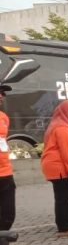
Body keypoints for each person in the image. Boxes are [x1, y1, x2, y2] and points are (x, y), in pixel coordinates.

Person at [41, 100, 68, 235]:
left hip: (55, 165)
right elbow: (66, 152)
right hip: (58, 166)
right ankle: (64, 228)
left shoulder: (57, 124)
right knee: (63, 198)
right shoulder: (62, 128)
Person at [0, 86, 16, 232]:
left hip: (5, 172)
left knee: (8, 214)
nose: (1, 96)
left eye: (2, 93)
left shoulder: (4, 117)